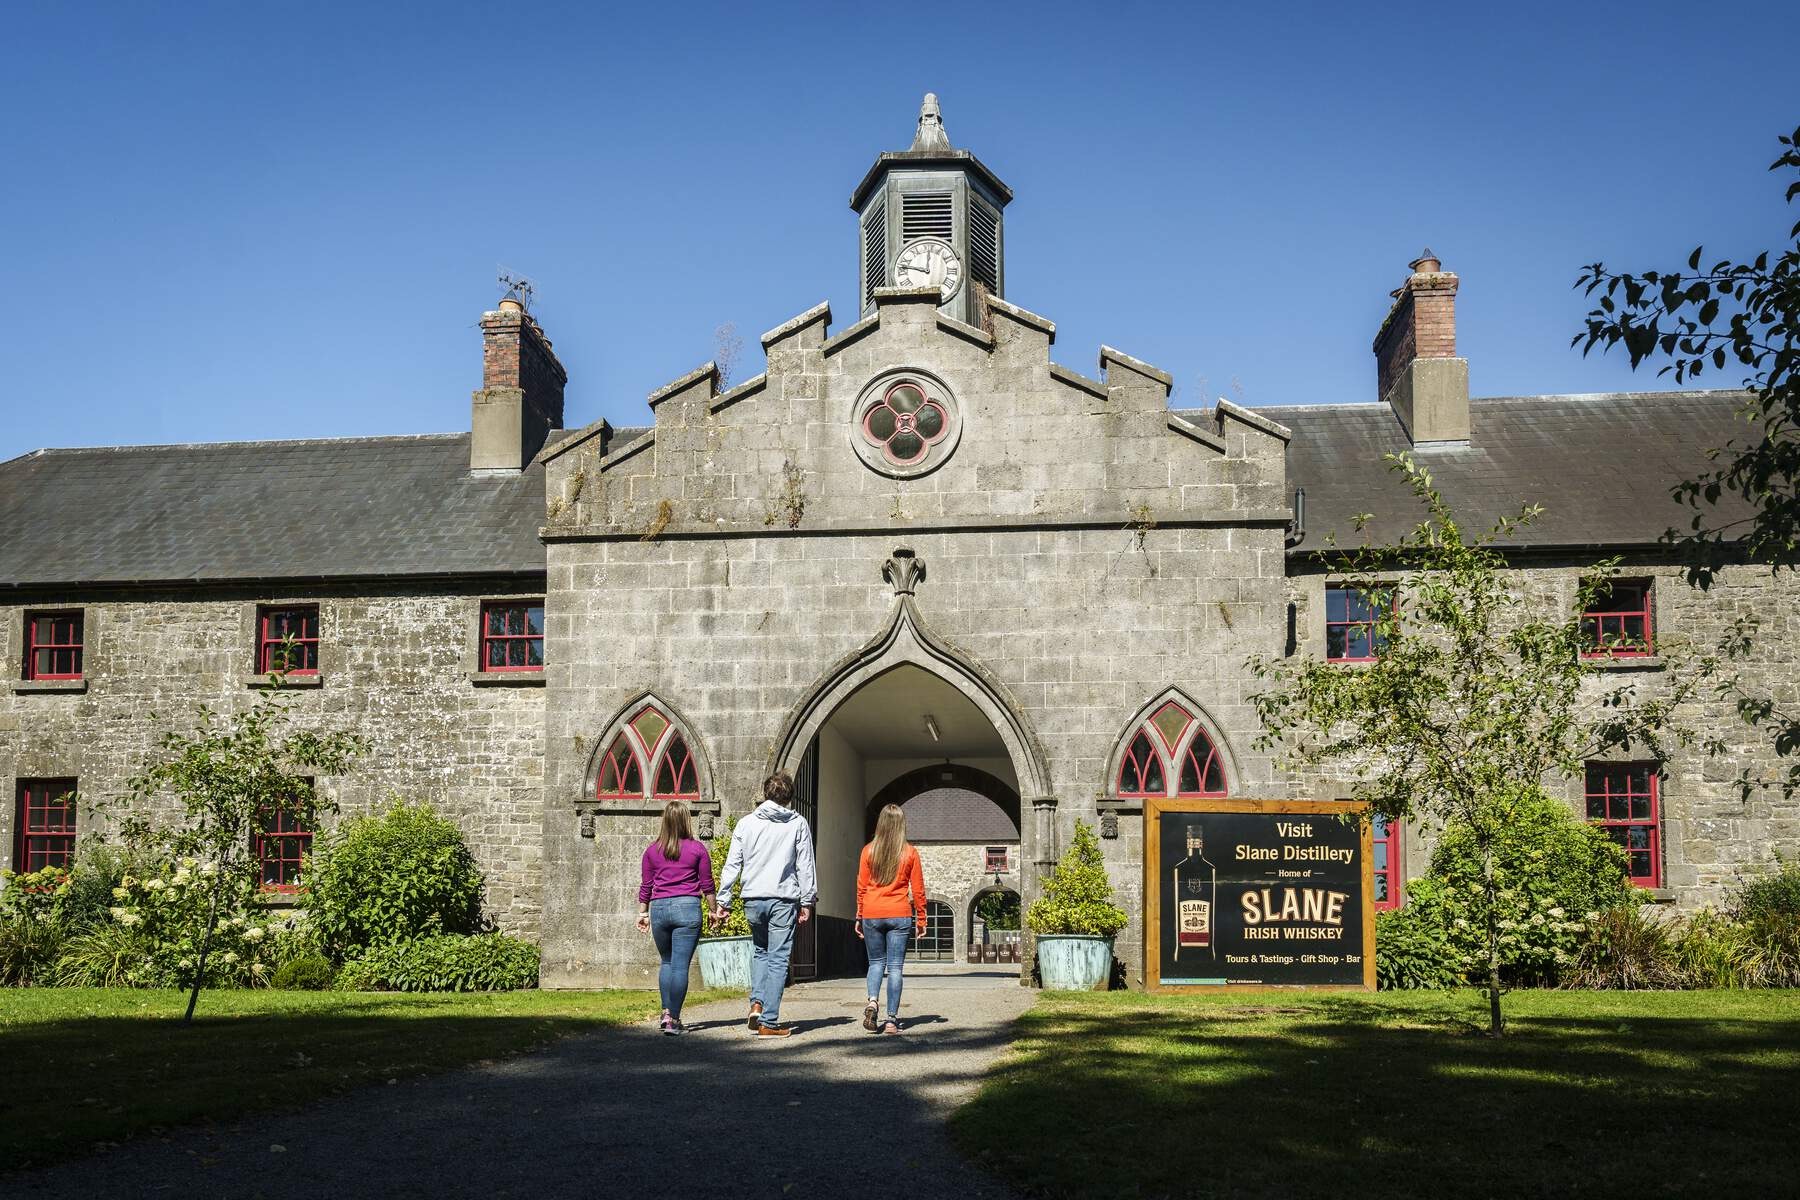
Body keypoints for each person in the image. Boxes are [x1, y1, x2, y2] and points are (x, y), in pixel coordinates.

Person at [713, 771, 817, 1038]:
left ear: (765, 793)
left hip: (753, 897)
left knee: (760, 952)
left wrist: (724, 899)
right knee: (778, 958)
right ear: (789, 796)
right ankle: (768, 1022)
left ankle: (756, 1004)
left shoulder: (746, 823)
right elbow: (805, 864)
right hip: (783, 898)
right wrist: (807, 900)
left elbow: (733, 863)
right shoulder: (797, 823)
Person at [637, 799, 714, 1035]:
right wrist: (713, 910)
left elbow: (646, 885)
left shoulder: (652, 851)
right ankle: (674, 1019)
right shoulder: (697, 849)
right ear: (685, 821)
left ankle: (665, 1013)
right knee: (680, 966)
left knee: (667, 962)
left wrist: (642, 913)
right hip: (688, 908)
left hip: (659, 909)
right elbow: (707, 884)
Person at [856, 803, 927, 1035]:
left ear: (880, 824)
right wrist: (922, 919)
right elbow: (918, 890)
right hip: (899, 913)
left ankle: (872, 1001)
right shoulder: (910, 852)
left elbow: (862, 887)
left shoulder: (868, 851)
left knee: (876, 963)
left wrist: (859, 915)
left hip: (872, 912)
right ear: (901, 825)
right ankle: (891, 1020)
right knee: (895, 967)